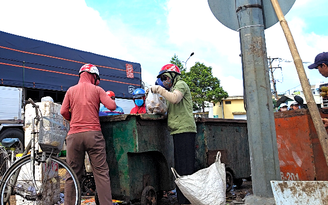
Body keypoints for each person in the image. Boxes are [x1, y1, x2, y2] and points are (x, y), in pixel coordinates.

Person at [60, 63, 116, 205]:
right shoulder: (97, 89)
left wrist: (73, 119)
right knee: (101, 173)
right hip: (93, 135)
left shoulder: (70, 90)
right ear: (94, 76)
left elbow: (63, 111)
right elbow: (112, 106)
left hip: (74, 136)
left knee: (72, 174)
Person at [151, 64, 196, 205]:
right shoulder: (171, 91)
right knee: (180, 168)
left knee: (186, 168)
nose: (165, 81)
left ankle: (187, 201)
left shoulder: (181, 84)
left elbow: (175, 98)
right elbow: (167, 108)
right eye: (163, 79)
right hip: (177, 131)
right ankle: (182, 200)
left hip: (185, 130)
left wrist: (159, 89)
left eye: (166, 78)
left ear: (173, 76)